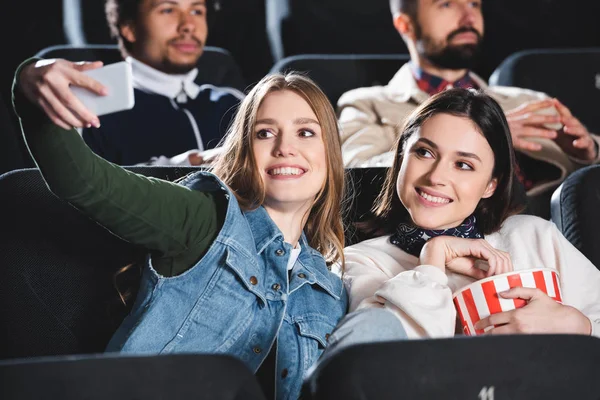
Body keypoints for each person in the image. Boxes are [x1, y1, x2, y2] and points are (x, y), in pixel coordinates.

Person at [14, 57, 347, 400]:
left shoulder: (328, 290)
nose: (285, 148)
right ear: (246, 153)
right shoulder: (204, 216)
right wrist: (33, 85)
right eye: (265, 133)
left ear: (330, 155)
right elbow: (82, 179)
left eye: (305, 132)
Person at [320, 89, 600, 364]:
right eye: (424, 152)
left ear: (492, 184)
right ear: (401, 158)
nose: (437, 177)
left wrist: (579, 325)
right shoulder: (358, 261)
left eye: (463, 164)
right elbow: (388, 365)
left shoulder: (536, 235)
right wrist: (433, 259)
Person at [338, 0, 600, 200]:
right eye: (447, 4)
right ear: (405, 25)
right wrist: (481, 132)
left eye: (474, 3)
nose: (468, 15)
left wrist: (588, 155)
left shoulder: (529, 103)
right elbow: (354, 176)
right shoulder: (367, 104)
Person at [55, 0, 244, 166]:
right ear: (130, 28)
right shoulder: (90, 107)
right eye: (168, 10)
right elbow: (84, 194)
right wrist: (190, 164)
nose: (188, 25)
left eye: (197, 11)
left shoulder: (235, 103)